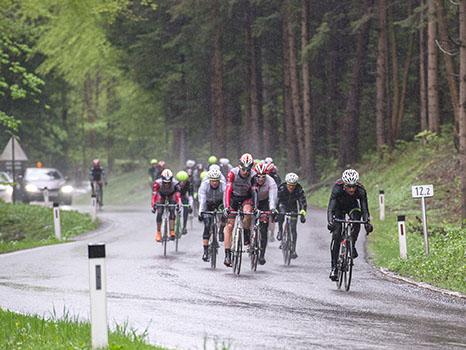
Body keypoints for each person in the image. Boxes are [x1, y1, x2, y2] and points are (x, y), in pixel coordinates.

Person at [327, 169, 373, 281]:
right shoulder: (337, 188)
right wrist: (330, 222)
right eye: (349, 187)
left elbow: (365, 209)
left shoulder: (361, 190)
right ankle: (334, 268)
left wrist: (367, 222)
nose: (352, 189)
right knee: (337, 235)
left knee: (356, 222)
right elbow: (330, 208)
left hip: (353, 207)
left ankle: (351, 245)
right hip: (338, 208)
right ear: (344, 185)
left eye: (353, 186)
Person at [223, 153, 256, 267]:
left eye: (248, 169)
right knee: (229, 226)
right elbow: (227, 190)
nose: (246, 172)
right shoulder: (233, 173)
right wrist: (227, 207)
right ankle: (227, 255)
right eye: (243, 169)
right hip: (233, 198)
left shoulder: (253, 175)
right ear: (239, 166)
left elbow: (254, 192)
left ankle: (246, 232)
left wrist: (255, 207)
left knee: (247, 213)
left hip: (246, 198)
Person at [276, 172, 307, 259]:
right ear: (286, 183)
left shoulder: (299, 189)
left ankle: (293, 249)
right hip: (283, 205)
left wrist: (302, 212)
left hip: (293, 207)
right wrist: (275, 212)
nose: (291, 187)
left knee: (293, 228)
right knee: (281, 214)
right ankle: (280, 231)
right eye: (289, 185)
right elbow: (277, 200)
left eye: (293, 185)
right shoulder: (282, 188)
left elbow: (302, 201)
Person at [198, 168, 226, 262]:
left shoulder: (223, 185)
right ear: (209, 180)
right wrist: (200, 212)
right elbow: (202, 199)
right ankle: (205, 252)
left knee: (225, 216)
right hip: (208, 204)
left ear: (219, 180)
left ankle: (221, 230)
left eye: (216, 181)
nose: (214, 183)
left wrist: (226, 210)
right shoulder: (204, 185)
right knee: (207, 225)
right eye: (212, 181)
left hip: (219, 203)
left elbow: (226, 199)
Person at [252, 161, 277, 265]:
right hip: (252, 200)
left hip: (265, 202)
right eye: (259, 176)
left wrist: (272, 209)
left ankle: (262, 254)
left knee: (263, 228)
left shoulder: (271, 182)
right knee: (248, 218)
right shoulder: (251, 179)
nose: (261, 179)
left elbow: (272, 197)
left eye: (263, 176)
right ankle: (248, 238)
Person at [151, 169, 182, 242]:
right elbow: (154, 195)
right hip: (161, 195)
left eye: (169, 183)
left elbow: (178, 196)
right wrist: (153, 206)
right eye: (165, 183)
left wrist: (179, 205)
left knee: (172, 209)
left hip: (171, 195)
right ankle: (158, 232)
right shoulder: (157, 183)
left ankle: (172, 231)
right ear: (162, 180)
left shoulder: (176, 184)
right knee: (159, 212)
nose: (167, 184)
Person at [176, 170, 193, 235]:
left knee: (186, 209)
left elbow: (190, 196)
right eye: (181, 181)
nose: (182, 183)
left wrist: (190, 205)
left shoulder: (189, 184)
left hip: (183, 196)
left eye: (184, 181)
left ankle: (184, 227)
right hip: (176, 196)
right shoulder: (175, 183)